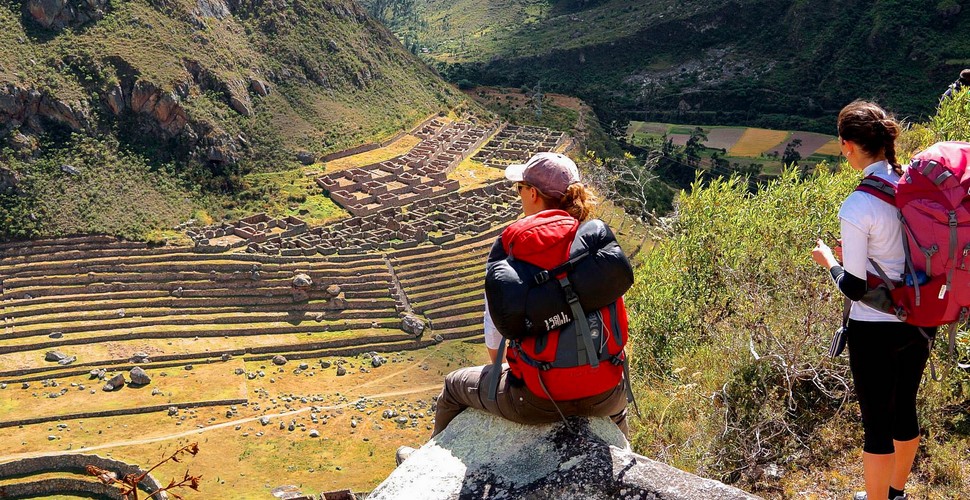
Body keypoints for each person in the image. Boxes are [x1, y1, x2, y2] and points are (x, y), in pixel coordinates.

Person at [426, 152, 630, 442]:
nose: (518, 194)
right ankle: (623, 453)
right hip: (607, 394)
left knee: (453, 386)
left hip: (536, 399)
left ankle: (428, 465)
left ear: (533, 193)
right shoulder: (596, 245)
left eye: (519, 188)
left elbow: (495, 343)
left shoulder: (512, 249)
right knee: (616, 410)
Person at [811, 101, 932, 500]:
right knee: (905, 408)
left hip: (874, 328)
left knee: (876, 423)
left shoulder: (858, 204)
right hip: (920, 318)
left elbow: (855, 288)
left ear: (847, 145)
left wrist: (830, 261)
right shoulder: (911, 183)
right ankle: (896, 492)